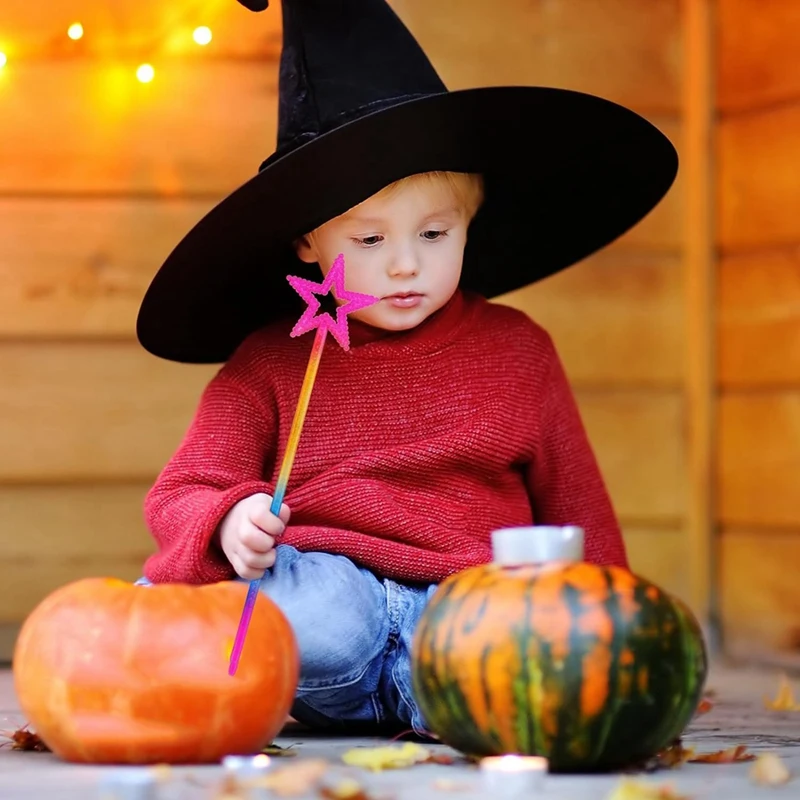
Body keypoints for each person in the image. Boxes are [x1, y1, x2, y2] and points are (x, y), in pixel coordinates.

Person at [134, 0, 678, 736]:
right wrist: (229, 519)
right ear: (308, 244)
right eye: (367, 238)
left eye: (432, 232)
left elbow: (577, 506)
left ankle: (441, 699)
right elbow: (185, 486)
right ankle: (229, 648)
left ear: (469, 221)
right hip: (330, 601)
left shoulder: (518, 351)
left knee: (514, 652)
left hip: (469, 610)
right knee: (308, 610)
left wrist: (612, 632)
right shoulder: (273, 359)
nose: (403, 264)